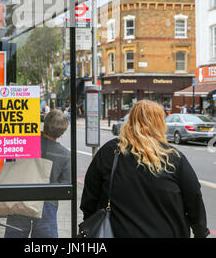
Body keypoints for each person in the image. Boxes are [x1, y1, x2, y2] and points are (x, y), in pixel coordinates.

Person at [80, 100, 209, 238]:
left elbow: (90, 198)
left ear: (131, 120)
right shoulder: (173, 158)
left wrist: (92, 222)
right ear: (159, 124)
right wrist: (200, 232)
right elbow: (194, 199)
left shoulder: (109, 153)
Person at [5, 109, 70, 238]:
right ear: (62, 132)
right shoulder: (64, 154)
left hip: (21, 199)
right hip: (47, 205)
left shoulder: (26, 143)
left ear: (44, 125)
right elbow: (65, 184)